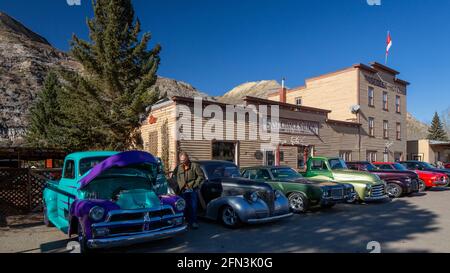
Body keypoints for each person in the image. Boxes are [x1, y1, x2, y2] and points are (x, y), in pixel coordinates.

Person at [171, 152, 205, 229]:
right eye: (181, 160)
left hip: (192, 189)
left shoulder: (194, 166)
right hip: (182, 190)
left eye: (183, 160)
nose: (182, 162)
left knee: (193, 206)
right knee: (183, 207)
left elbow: (201, 177)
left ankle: (193, 222)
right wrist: (178, 185)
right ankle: (184, 222)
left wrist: (194, 185)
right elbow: (174, 176)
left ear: (187, 158)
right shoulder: (179, 167)